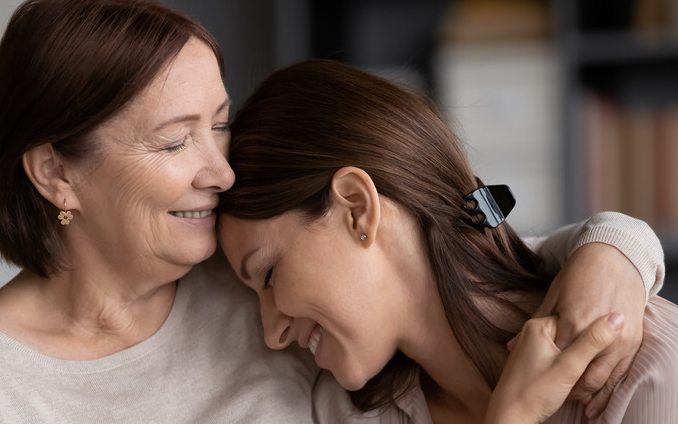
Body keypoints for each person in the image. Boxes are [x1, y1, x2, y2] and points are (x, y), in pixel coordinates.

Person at [0, 0, 665, 422]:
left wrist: (618, 248)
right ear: (56, 175)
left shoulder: (244, 284)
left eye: (219, 127)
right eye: (174, 142)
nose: (222, 172)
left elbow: (466, 255)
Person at [217, 58, 678, 423]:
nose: (272, 333)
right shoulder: (347, 413)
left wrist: (617, 242)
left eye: (270, 276)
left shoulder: (646, 374)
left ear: (357, 208)